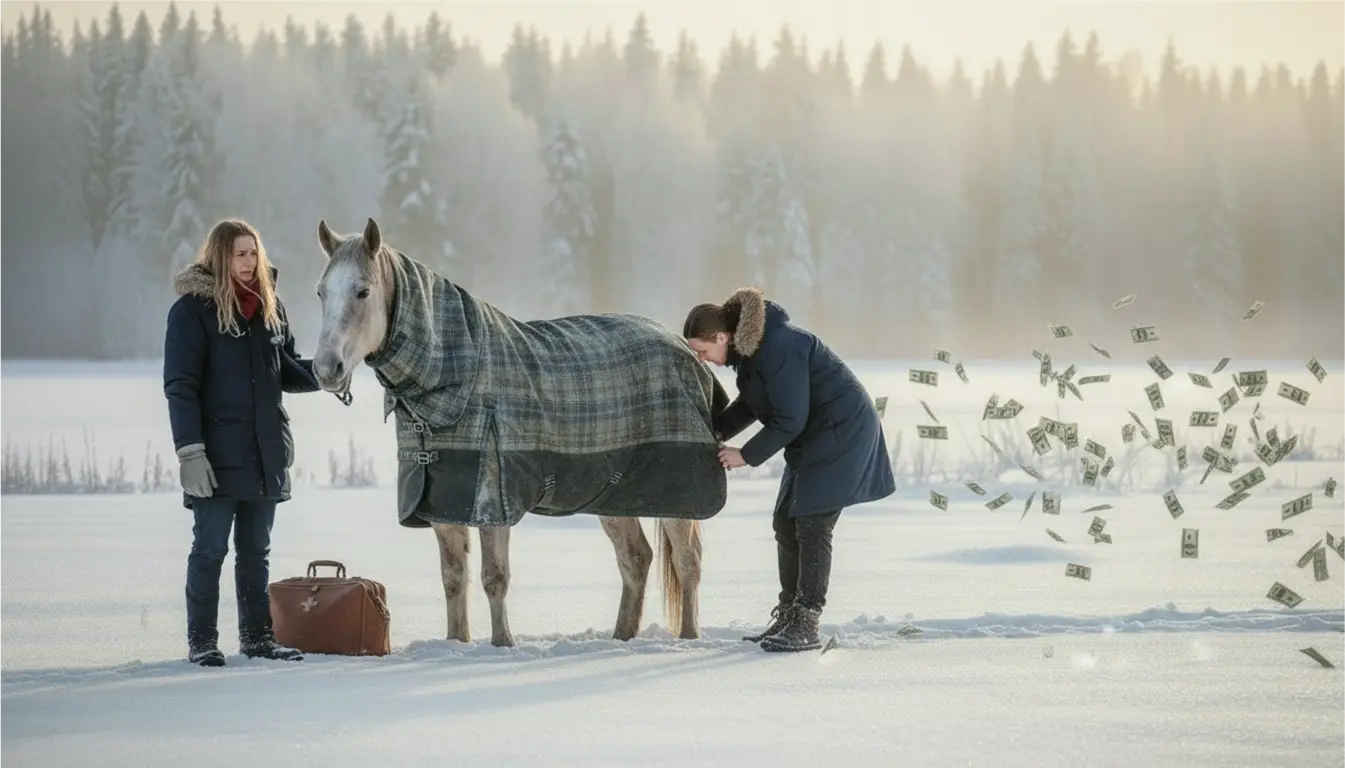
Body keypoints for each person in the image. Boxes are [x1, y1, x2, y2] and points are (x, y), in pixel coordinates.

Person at [683, 286, 895, 652]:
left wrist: (745, 455)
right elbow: (752, 404)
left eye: (702, 351)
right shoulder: (752, 354)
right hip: (812, 438)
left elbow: (790, 418)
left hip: (841, 435)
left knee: (813, 526)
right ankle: (788, 614)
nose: (703, 360)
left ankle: (806, 622)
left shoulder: (779, 346)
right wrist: (714, 431)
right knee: (785, 521)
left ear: (722, 337)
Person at [163, 219, 323, 667]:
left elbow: (286, 370)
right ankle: (202, 641)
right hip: (214, 455)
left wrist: (326, 371)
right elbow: (180, 386)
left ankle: (257, 639)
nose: (249, 262)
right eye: (239, 253)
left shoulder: (271, 307)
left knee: (256, 551)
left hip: (264, 451)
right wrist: (189, 451)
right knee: (210, 549)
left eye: (254, 252)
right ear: (218, 256)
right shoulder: (192, 311)